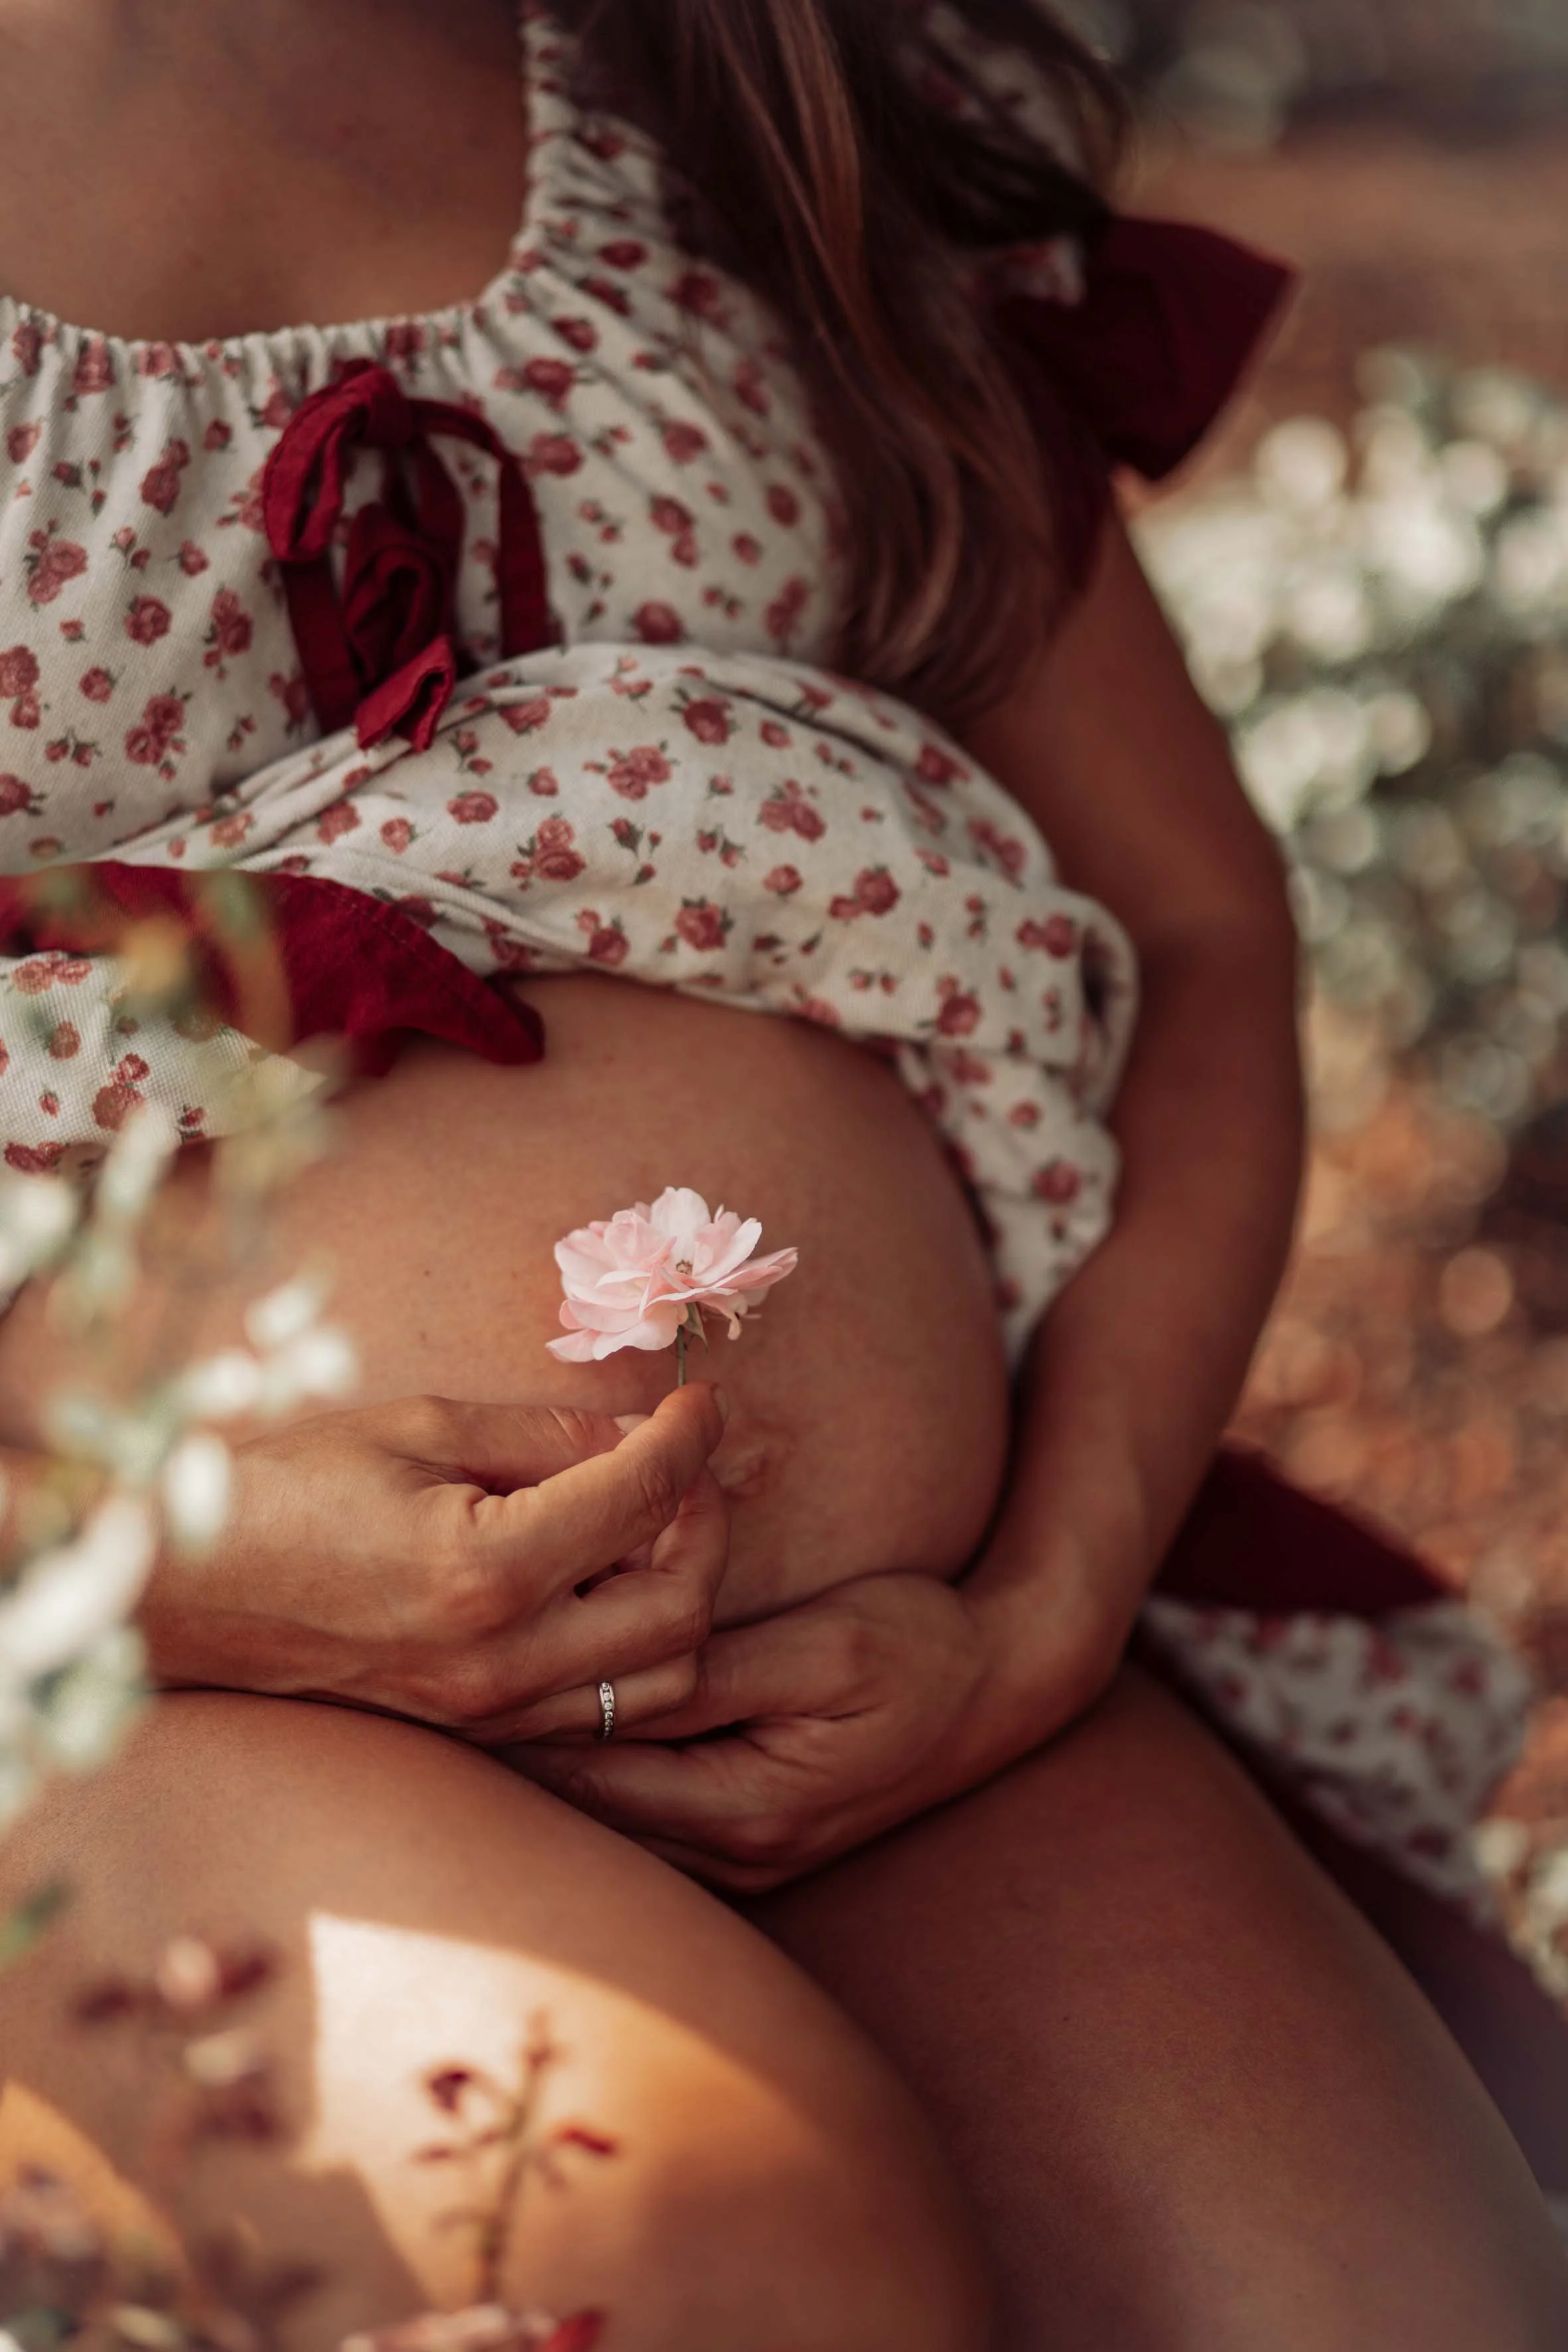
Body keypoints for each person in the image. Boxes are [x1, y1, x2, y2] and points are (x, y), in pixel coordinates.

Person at [0, 3, 1565, 2344]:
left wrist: (1043, 1611)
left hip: (885, 1679)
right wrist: (113, 1553)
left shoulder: (742, 84)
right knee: (733, 2256)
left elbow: (1207, 934)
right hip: (98, 1682)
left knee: (1387, 2305)